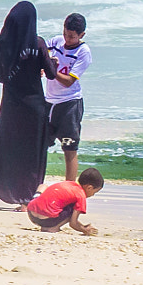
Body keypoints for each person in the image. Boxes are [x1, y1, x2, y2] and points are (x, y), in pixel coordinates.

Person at [0, 0, 62, 210]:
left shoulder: (1, 43)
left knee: (0, 149)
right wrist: (52, 62)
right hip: (34, 107)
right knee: (31, 155)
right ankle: (24, 201)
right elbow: (51, 74)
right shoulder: (38, 43)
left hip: (11, 106)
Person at [45, 12, 92, 182]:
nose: (67, 39)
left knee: (69, 148)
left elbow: (68, 81)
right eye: (65, 33)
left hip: (69, 104)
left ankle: (69, 188)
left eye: (71, 37)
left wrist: (51, 70)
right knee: (40, 145)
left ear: (81, 35)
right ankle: (34, 185)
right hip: (49, 102)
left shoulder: (83, 52)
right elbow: (42, 51)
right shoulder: (57, 41)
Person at [25, 166, 104, 235]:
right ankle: (52, 228)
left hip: (31, 214)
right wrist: (85, 230)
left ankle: (47, 223)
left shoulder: (68, 184)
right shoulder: (80, 195)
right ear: (89, 187)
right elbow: (73, 223)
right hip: (47, 220)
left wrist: (82, 226)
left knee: (43, 186)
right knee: (72, 208)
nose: (92, 195)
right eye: (94, 192)